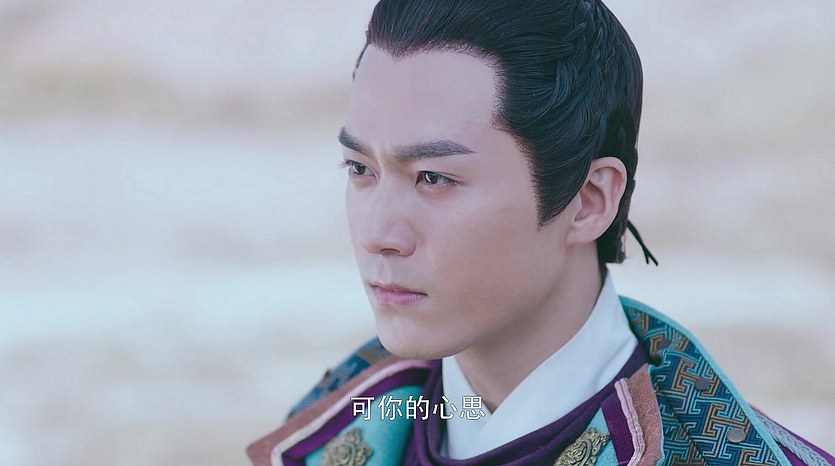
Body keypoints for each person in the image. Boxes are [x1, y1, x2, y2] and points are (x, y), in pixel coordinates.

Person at [248, 1, 834, 465]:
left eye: (434, 177)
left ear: (588, 200)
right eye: (360, 169)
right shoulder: (337, 421)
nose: (379, 233)